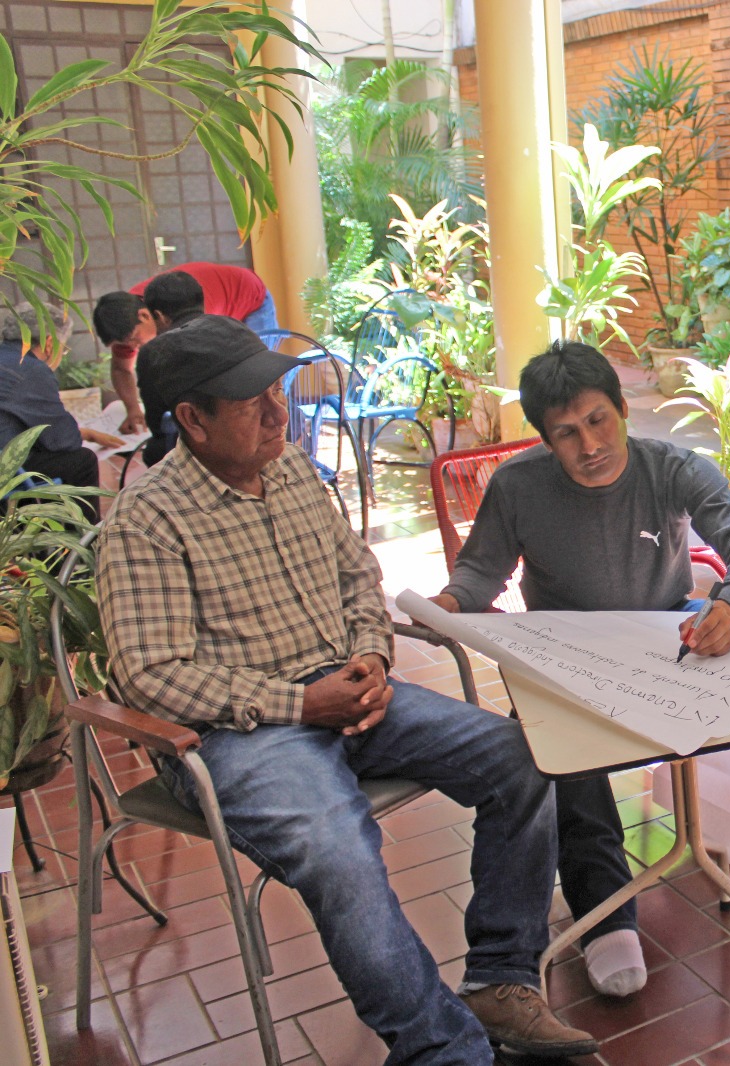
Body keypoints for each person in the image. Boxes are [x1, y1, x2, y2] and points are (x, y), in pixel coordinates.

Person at [96, 314, 598, 1063]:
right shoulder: (148, 521)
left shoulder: (292, 469)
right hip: (242, 732)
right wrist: (300, 704)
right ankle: (440, 1049)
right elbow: (152, 675)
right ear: (192, 422)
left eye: (277, 392)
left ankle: (501, 977)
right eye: (250, 404)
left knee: (520, 760)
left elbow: (356, 573)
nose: (279, 414)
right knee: (337, 850)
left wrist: (369, 655)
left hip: (347, 693)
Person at [427, 339, 730, 997]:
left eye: (598, 421)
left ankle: (724, 845)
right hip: (567, 656)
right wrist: (449, 603)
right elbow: (480, 571)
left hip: (667, 640)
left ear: (622, 410)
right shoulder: (518, 486)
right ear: (544, 439)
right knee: (551, 749)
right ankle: (606, 912)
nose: (588, 444)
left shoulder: (671, 468)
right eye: (565, 433)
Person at [92, 261, 278, 432]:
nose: (134, 347)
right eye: (126, 344)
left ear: (145, 316)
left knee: (259, 380)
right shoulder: (126, 320)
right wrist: (133, 410)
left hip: (249, 296)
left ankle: (275, 432)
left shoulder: (191, 312)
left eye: (134, 339)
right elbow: (121, 369)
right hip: (217, 304)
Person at [0, 302, 124, 500]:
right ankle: (81, 530)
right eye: (64, 349)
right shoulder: (31, 369)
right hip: (6, 469)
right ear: (50, 343)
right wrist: (82, 435)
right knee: (81, 461)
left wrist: (85, 433)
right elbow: (63, 440)